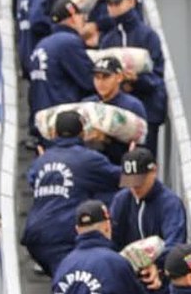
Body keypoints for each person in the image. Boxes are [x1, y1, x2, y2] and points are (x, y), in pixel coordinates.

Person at [21, 112, 122, 275]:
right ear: (83, 133)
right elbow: (124, 180)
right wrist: (133, 157)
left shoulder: (41, 161)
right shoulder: (89, 160)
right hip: (63, 235)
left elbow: (32, 179)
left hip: (35, 236)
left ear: (54, 133)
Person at [110, 148, 188, 294]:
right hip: (128, 282)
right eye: (130, 182)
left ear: (153, 171)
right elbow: (112, 239)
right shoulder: (122, 200)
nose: (134, 188)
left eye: (139, 181)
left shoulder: (170, 203)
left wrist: (157, 264)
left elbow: (176, 243)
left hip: (161, 287)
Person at [101, 0, 167, 152]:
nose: (112, 8)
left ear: (130, 1)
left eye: (116, 3)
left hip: (146, 110)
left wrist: (136, 79)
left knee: (142, 163)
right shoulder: (108, 39)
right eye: (109, 4)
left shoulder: (148, 36)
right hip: (117, 113)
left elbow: (157, 77)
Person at [29, 0, 96, 132]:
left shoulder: (42, 44)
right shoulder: (68, 42)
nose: (83, 20)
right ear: (72, 17)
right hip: (62, 121)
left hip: (42, 120)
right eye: (81, 16)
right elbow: (90, 81)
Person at [83, 57, 148, 163]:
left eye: (106, 77)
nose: (100, 82)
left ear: (119, 77)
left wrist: (105, 139)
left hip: (119, 167)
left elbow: (140, 146)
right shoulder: (87, 104)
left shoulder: (132, 106)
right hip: (90, 167)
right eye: (97, 77)